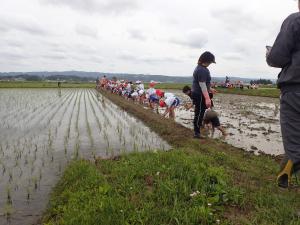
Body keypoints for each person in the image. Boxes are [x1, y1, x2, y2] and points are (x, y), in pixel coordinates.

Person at [266, 0, 300, 188]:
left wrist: (269, 54)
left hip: (295, 89)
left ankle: (283, 179)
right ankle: (282, 180)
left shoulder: (295, 21)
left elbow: (277, 57)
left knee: (294, 141)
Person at [191, 51, 216, 139]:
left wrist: (210, 89)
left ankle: (197, 130)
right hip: (199, 94)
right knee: (199, 113)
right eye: (210, 62)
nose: (210, 64)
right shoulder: (202, 69)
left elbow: (204, 84)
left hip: (198, 93)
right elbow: (202, 84)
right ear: (206, 60)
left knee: (199, 112)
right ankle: (197, 133)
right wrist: (207, 98)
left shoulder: (200, 68)